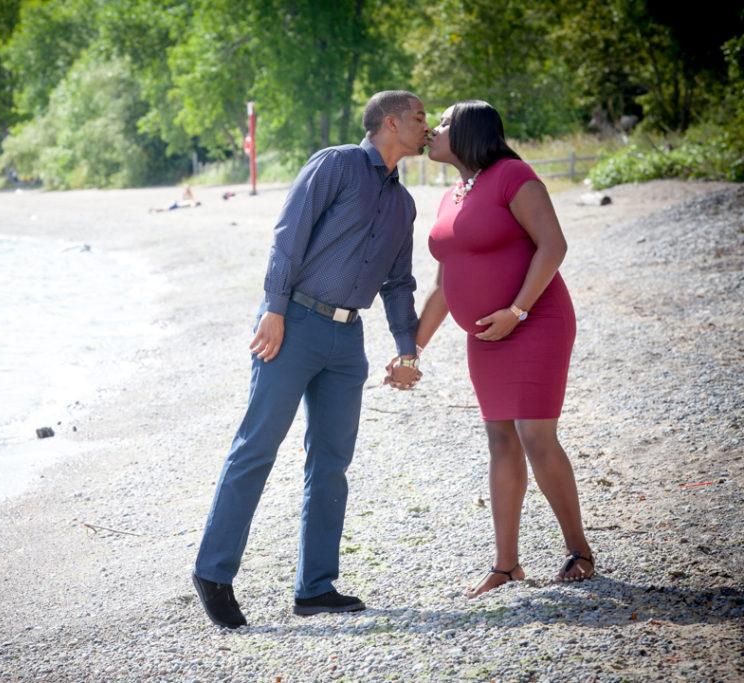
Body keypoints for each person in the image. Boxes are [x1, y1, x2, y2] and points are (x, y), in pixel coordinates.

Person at [193, 90, 431, 628]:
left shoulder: (403, 203)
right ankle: (213, 570)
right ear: (389, 122)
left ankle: (316, 588)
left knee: (331, 464)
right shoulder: (338, 164)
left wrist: (406, 347)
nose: (427, 126)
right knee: (256, 448)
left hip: (349, 343)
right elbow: (288, 235)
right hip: (292, 323)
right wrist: (273, 309)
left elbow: (398, 281)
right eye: (419, 118)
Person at [395, 99, 593, 598]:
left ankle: (579, 551)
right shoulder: (451, 197)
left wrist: (518, 311)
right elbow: (443, 290)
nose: (433, 131)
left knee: (535, 435)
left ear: (470, 132)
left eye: (442, 123)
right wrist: (410, 350)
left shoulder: (513, 175)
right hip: (484, 338)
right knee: (500, 440)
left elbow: (553, 245)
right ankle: (507, 566)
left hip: (535, 322)